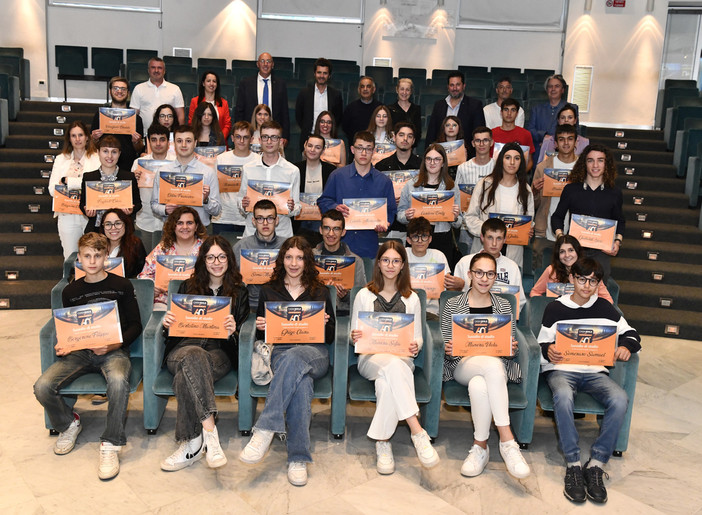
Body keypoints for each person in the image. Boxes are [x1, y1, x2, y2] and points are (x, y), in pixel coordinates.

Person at [33, 232, 142, 480]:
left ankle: (111, 443)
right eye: (87, 256)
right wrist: (65, 344)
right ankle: (68, 424)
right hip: (81, 353)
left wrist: (113, 345)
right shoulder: (70, 291)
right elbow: (69, 328)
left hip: (113, 351)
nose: (92, 261)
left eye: (98, 255)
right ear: (79, 259)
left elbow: (136, 325)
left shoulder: (122, 285)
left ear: (106, 257)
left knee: (117, 381)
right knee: (42, 386)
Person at [537, 258, 640, 504]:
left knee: (619, 398)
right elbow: (540, 342)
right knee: (562, 395)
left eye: (592, 280)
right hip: (562, 370)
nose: (586, 285)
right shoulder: (555, 308)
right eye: (582, 279)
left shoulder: (606, 308)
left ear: (598, 283)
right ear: (572, 278)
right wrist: (547, 350)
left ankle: (595, 464)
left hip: (595, 373)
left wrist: (626, 346)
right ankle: (573, 464)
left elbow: (632, 334)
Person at [239, 236, 336, 487]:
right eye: (289, 257)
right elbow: (265, 333)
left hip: (315, 353)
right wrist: (261, 326)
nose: (294, 263)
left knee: (296, 361)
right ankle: (298, 458)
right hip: (281, 352)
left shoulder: (320, 291)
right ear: (282, 259)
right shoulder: (268, 290)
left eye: (300, 257)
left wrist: (324, 323)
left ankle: (265, 429)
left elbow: (332, 335)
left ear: (307, 261)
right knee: (300, 383)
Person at [160, 235, 249, 471]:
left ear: (229, 259)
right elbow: (172, 332)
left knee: (185, 375)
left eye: (221, 256)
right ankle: (211, 433)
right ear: (203, 260)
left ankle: (192, 444)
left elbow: (245, 337)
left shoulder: (240, 292)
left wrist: (234, 331)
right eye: (210, 257)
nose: (216, 262)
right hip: (182, 348)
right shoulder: (186, 287)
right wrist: (166, 323)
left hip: (218, 354)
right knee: (192, 355)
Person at [350, 241, 440, 475]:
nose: (390, 265)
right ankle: (417, 432)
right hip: (370, 358)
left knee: (386, 384)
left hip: (402, 359)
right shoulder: (363, 295)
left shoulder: (412, 298)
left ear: (403, 265)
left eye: (396, 261)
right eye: (386, 260)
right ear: (378, 263)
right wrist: (355, 335)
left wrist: (414, 345)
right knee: (390, 366)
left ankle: (383, 443)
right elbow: (353, 336)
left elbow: (418, 338)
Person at [440, 252, 530, 479]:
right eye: (479, 272)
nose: (484, 278)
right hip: (462, 364)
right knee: (491, 367)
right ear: (469, 274)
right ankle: (508, 441)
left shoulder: (504, 305)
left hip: (495, 366)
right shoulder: (452, 304)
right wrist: (448, 347)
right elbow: (444, 341)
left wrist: (512, 348)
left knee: (480, 385)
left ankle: (480, 447)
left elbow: (508, 348)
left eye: (490, 274)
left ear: (495, 276)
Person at [317, 131, 397, 258]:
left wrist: (386, 223)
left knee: (367, 278)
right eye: (360, 148)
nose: (364, 153)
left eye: (368, 149)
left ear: (374, 151)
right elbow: (323, 201)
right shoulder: (337, 176)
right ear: (353, 149)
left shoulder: (384, 181)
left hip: (368, 246)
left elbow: (391, 211)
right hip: (339, 246)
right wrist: (335, 207)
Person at [551, 144, 624, 282]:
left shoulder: (615, 192)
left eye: (600, 160)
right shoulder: (571, 189)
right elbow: (557, 217)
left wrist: (618, 242)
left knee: (598, 292)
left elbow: (620, 220)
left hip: (601, 253)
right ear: (584, 163)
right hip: (575, 252)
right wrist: (562, 239)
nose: (595, 165)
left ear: (606, 164)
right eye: (590, 160)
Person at [464, 142, 534, 268]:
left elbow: (529, 220)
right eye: (508, 157)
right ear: (501, 160)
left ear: (521, 163)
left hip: (512, 251)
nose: (512, 162)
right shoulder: (484, 184)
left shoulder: (526, 190)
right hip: (485, 248)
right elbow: (470, 217)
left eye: (517, 158)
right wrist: (490, 233)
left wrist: (529, 230)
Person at [397, 143, 462, 267]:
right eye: (429, 159)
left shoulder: (451, 187)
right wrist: (406, 215)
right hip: (417, 239)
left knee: (439, 279)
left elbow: (459, 222)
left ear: (443, 163)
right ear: (424, 161)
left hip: (442, 238)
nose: (432, 163)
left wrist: (454, 217)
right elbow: (399, 215)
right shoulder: (411, 185)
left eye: (437, 159)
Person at [236, 120, 300, 238]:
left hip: (282, 235)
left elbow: (297, 208)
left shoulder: (292, 170)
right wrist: (243, 205)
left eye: (274, 137)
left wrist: (291, 208)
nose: (269, 141)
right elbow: (241, 201)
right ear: (260, 140)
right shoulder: (248, 168)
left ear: (280, 141)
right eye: (265, 137)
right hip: (252, 234)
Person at [151, 124, 222, 227]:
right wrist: (165, 209)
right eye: (179, 141)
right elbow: (154, 204)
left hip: (199, 231)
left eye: (188, 141)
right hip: (171, 230)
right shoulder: (163, 172)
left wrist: (206, 200)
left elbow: (217, 210)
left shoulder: (208, 172)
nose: (183, 145)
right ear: (174, 144)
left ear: (195, 143)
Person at [49, 120, 100, 259]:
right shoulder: (60, 159)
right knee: (70, 257)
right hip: (67, 216)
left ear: (87, 137)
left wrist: (67, 182)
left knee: (91, 257)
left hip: (89, 215)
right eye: (73, 136)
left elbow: (95, 185)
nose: (77, 139)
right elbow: (52, 189)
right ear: (69, 139)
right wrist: (80, 185)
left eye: (80, 135)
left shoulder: (96, 159)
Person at [452, 218, 526, 314]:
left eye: (499, 238)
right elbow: (454, 298)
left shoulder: (512, 267)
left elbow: (519, 301)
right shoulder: (465, 262)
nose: (494, 243)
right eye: (490, 237)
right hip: (468, 316)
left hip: (501, 319)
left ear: (505, 239)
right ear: (482, 237)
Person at [138, 206, 207, 307]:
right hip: (164, 301)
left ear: (196, 226)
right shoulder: (163, 249)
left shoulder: (206, 249)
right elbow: (144, 276)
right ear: (173, 226)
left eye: (189, 223)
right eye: (179, 223)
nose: (185, 227)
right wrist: (152, 287)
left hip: (196, 301)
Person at [531, 123, 579, 267]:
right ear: (555, 143)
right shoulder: (543, 167)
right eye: (561, 139)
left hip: (575, 231)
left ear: (576, 142)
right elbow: (532, 204)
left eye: (570, 139)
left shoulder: (583, 168)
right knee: (539, 273)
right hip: (545, 230)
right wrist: (534, 191)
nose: (566, 143)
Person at [80, 135, 141, 234]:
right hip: (96, 230)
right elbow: (82, 203)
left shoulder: (129, 177)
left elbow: (138, 204)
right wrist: (87, 211)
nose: (109, 156)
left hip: (122, 231)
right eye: (105, 151)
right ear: (98, 152)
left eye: (114, 152)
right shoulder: (89, 177)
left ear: (119, 154)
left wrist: (131, 209)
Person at [233, 199, 287, 309]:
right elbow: (230, 279)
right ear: (254, 221)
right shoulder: (241, 247)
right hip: (248, 305)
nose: (265, 223)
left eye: (270, 218)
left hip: (280, 305)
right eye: (260, 218)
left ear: (277, 220)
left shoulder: (287, 246)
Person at [312, 209, 366, 313]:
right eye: (327, 228)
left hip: (344, 314)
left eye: (336, 229)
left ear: (343, 232)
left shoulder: (356, 261)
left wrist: (345, 296)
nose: (331, 233)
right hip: (315, 313)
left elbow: (361, 298)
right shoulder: (309, 257)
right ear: (320, 230)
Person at [530, 235, 613, 302]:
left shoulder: (590, 269)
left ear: (577, 251)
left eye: (571, 250)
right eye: (562, 252)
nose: (567, 255)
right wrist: (544, 306)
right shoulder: (551, 270)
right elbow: (535, 292)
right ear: (557, 255)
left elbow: (608, 299)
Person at [213, 121, 261, 236]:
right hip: (223, 217)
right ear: (232, 138)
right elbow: (214, 188)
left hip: (249, 220)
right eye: (238, 137)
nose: (241, 141)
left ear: (252, 139)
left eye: (245, 137)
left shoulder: (258, 161)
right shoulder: (221, 159)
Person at [132, 123, 173, 251]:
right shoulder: (138, 163)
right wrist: (133, 179)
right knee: (145, 261)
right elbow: (130, 193)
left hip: (170, 222)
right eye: (153, 140)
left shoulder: (176, 163)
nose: (158, 144)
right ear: (148, 142)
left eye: (162, 139)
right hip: (144, 220)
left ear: (168, 142)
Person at [405, 216, 456, 318]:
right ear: (409, 240)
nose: (420, 241)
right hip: (406, 309)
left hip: (431, 311)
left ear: (430, 239)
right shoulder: (402, 254)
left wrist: (455, 284)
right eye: (415, 237)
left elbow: (447, 287)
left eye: (424, 236)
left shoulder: (438, 255)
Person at [426, 71, 486, 157]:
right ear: (448, 87)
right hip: (440, 156)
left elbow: (479, 132)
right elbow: (432, 132)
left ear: (463, 86)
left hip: (466, 156)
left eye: (458, 85)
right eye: (451, 85)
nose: (455, 88)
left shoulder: (475, 105)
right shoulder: (439, 105)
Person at [234, 52, 290, 144]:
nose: (265, 64)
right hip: (251, 133)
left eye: (268, 61)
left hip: (274, 133)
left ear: (272, 65)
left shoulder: (280, 84)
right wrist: (240, 133)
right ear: (257, 64)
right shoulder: (246, 83)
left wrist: (285, 136)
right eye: (262, 61)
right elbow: (240, 110)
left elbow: (284, 112)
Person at [90, 76, 144, 171]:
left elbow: (139, 149)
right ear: (110, 91)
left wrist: (136, 141)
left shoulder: (136, 119)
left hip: (128, 165)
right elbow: (92, 145)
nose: (119, 91)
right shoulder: (99, 116)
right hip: (105, 165)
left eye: (123, 89)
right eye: (116, 88)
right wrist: (94, 138)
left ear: (128, 93)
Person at [455, 127, 495, 249]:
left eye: (485, 140)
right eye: (478, 141)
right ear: (473, 143)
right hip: (466, 226)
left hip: (491, 226)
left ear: (492, 142)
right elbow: (457, 197)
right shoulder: (463, 168)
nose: (481, 144)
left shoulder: (498, 167)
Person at [293, 134, 336, 244]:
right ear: (305, 146)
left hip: (321, 221)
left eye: (317, 147)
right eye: (310, 146)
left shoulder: (331, 171)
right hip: (299, 222)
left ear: (323, 150)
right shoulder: (295, 169)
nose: (312, 150)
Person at [295, 57, 344, 149]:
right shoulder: (304, 93)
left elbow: (338, 117)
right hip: (308, 138)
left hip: (329, 141)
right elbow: (299, 116)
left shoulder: (336, 95)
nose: (321, 76)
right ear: (314, 74)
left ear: (329, 75)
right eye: (319, 72)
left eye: (325, 73)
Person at [526, 74, 577, 160]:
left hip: (565, 153)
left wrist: (551, 142)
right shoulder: (537, 109)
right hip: (540, 153)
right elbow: (530, 130)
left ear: (562, 90)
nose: (553, 89)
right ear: (547, 90)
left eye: (557, 86)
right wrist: (544, 136)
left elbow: (575, 131)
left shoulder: (571, 108)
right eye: (550, 86)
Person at [130, 57, 185, 130]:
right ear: (148, 70)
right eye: (153, 67)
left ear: (164, 71)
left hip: (168, 136)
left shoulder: (175, 89)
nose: (156, 70)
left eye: (159, 68)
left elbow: (180, 116)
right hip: (144, 134)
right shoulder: (139, 88)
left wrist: (178, 134)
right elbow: (133, 115)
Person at [98, 209, 147, 278]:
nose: (113, 228)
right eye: (108, 224)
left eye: (118, 223)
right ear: (103, 227)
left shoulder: (135, 244)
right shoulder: (95, 244)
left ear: (125, 224)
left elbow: (143, 272)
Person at [492, 98, 535, 172]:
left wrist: (519, 176)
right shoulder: (492, 133)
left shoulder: (525, 134)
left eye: (513, 110)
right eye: (506, 109)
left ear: (517, 113)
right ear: (501, 112)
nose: (509, 113)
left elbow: (529, 161)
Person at [187, 71, 232, 142]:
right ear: (203, 83)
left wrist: (220, 138)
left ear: (217, 84)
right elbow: (191, 122)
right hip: (198, 141)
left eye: (214, 81)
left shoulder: (224, 103)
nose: (211, 84)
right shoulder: (195, 101)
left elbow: (227, 124)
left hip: (219, 142)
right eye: (208, 81)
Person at [342, 77, 382, 143]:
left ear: (373, 89)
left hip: (376, 144)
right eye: (362, 87)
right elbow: (345, 128)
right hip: (355, 145)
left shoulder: (380, 108)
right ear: (359, 90)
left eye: (368, 86)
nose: (365, 89)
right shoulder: (350, 108)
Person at [387, 78, 422, 148]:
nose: (404, 92)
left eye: (407, 90)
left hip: (411, 146)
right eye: (402, 89)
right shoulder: (389, 109)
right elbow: (389, 131)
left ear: (411, 92)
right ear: (397, 90)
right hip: (394, 146)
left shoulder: (416, 109)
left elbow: (418, 132)